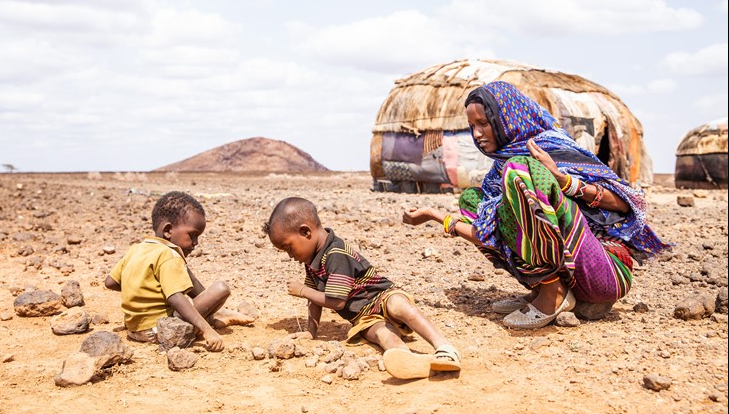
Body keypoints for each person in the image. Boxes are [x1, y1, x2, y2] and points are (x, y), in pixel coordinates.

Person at [403, 81, 670, 329]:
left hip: (604, 271)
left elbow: (628, 205)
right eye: (472, 126)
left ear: (505, 119)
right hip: (571, 269)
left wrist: (564, 181)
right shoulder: (499, 171)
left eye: (483, 123)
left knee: (520, 172)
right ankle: (545, 288)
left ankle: (553, 297)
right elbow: (490, 237)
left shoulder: (550, 149)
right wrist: (434, 216)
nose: (477, 134)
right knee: (473, 200)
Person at [264, 197, 462, 380]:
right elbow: (315, 299)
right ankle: (406, 359)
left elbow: (337, 302)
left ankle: (444, 348)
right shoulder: (312, 261)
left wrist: (302, 290)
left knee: (399, 306)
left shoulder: (336, 254)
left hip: (381, 298)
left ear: (306, 232)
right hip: (364, 318)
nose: (290, 255)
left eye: (289, 247)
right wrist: (311, 331)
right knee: (383, 335)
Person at [105, 191, 254, 350]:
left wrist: (141, 288)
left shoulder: (136, 249)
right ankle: (213, 317)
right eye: (193, 235)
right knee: (221, 289)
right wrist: (207, 331)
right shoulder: (169, 255)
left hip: (135, 330)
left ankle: (216, 314)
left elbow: (110, 282)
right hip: (165, 330)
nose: (196, 243)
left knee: (183, 273)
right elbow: (175, 297)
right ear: (168, 230)